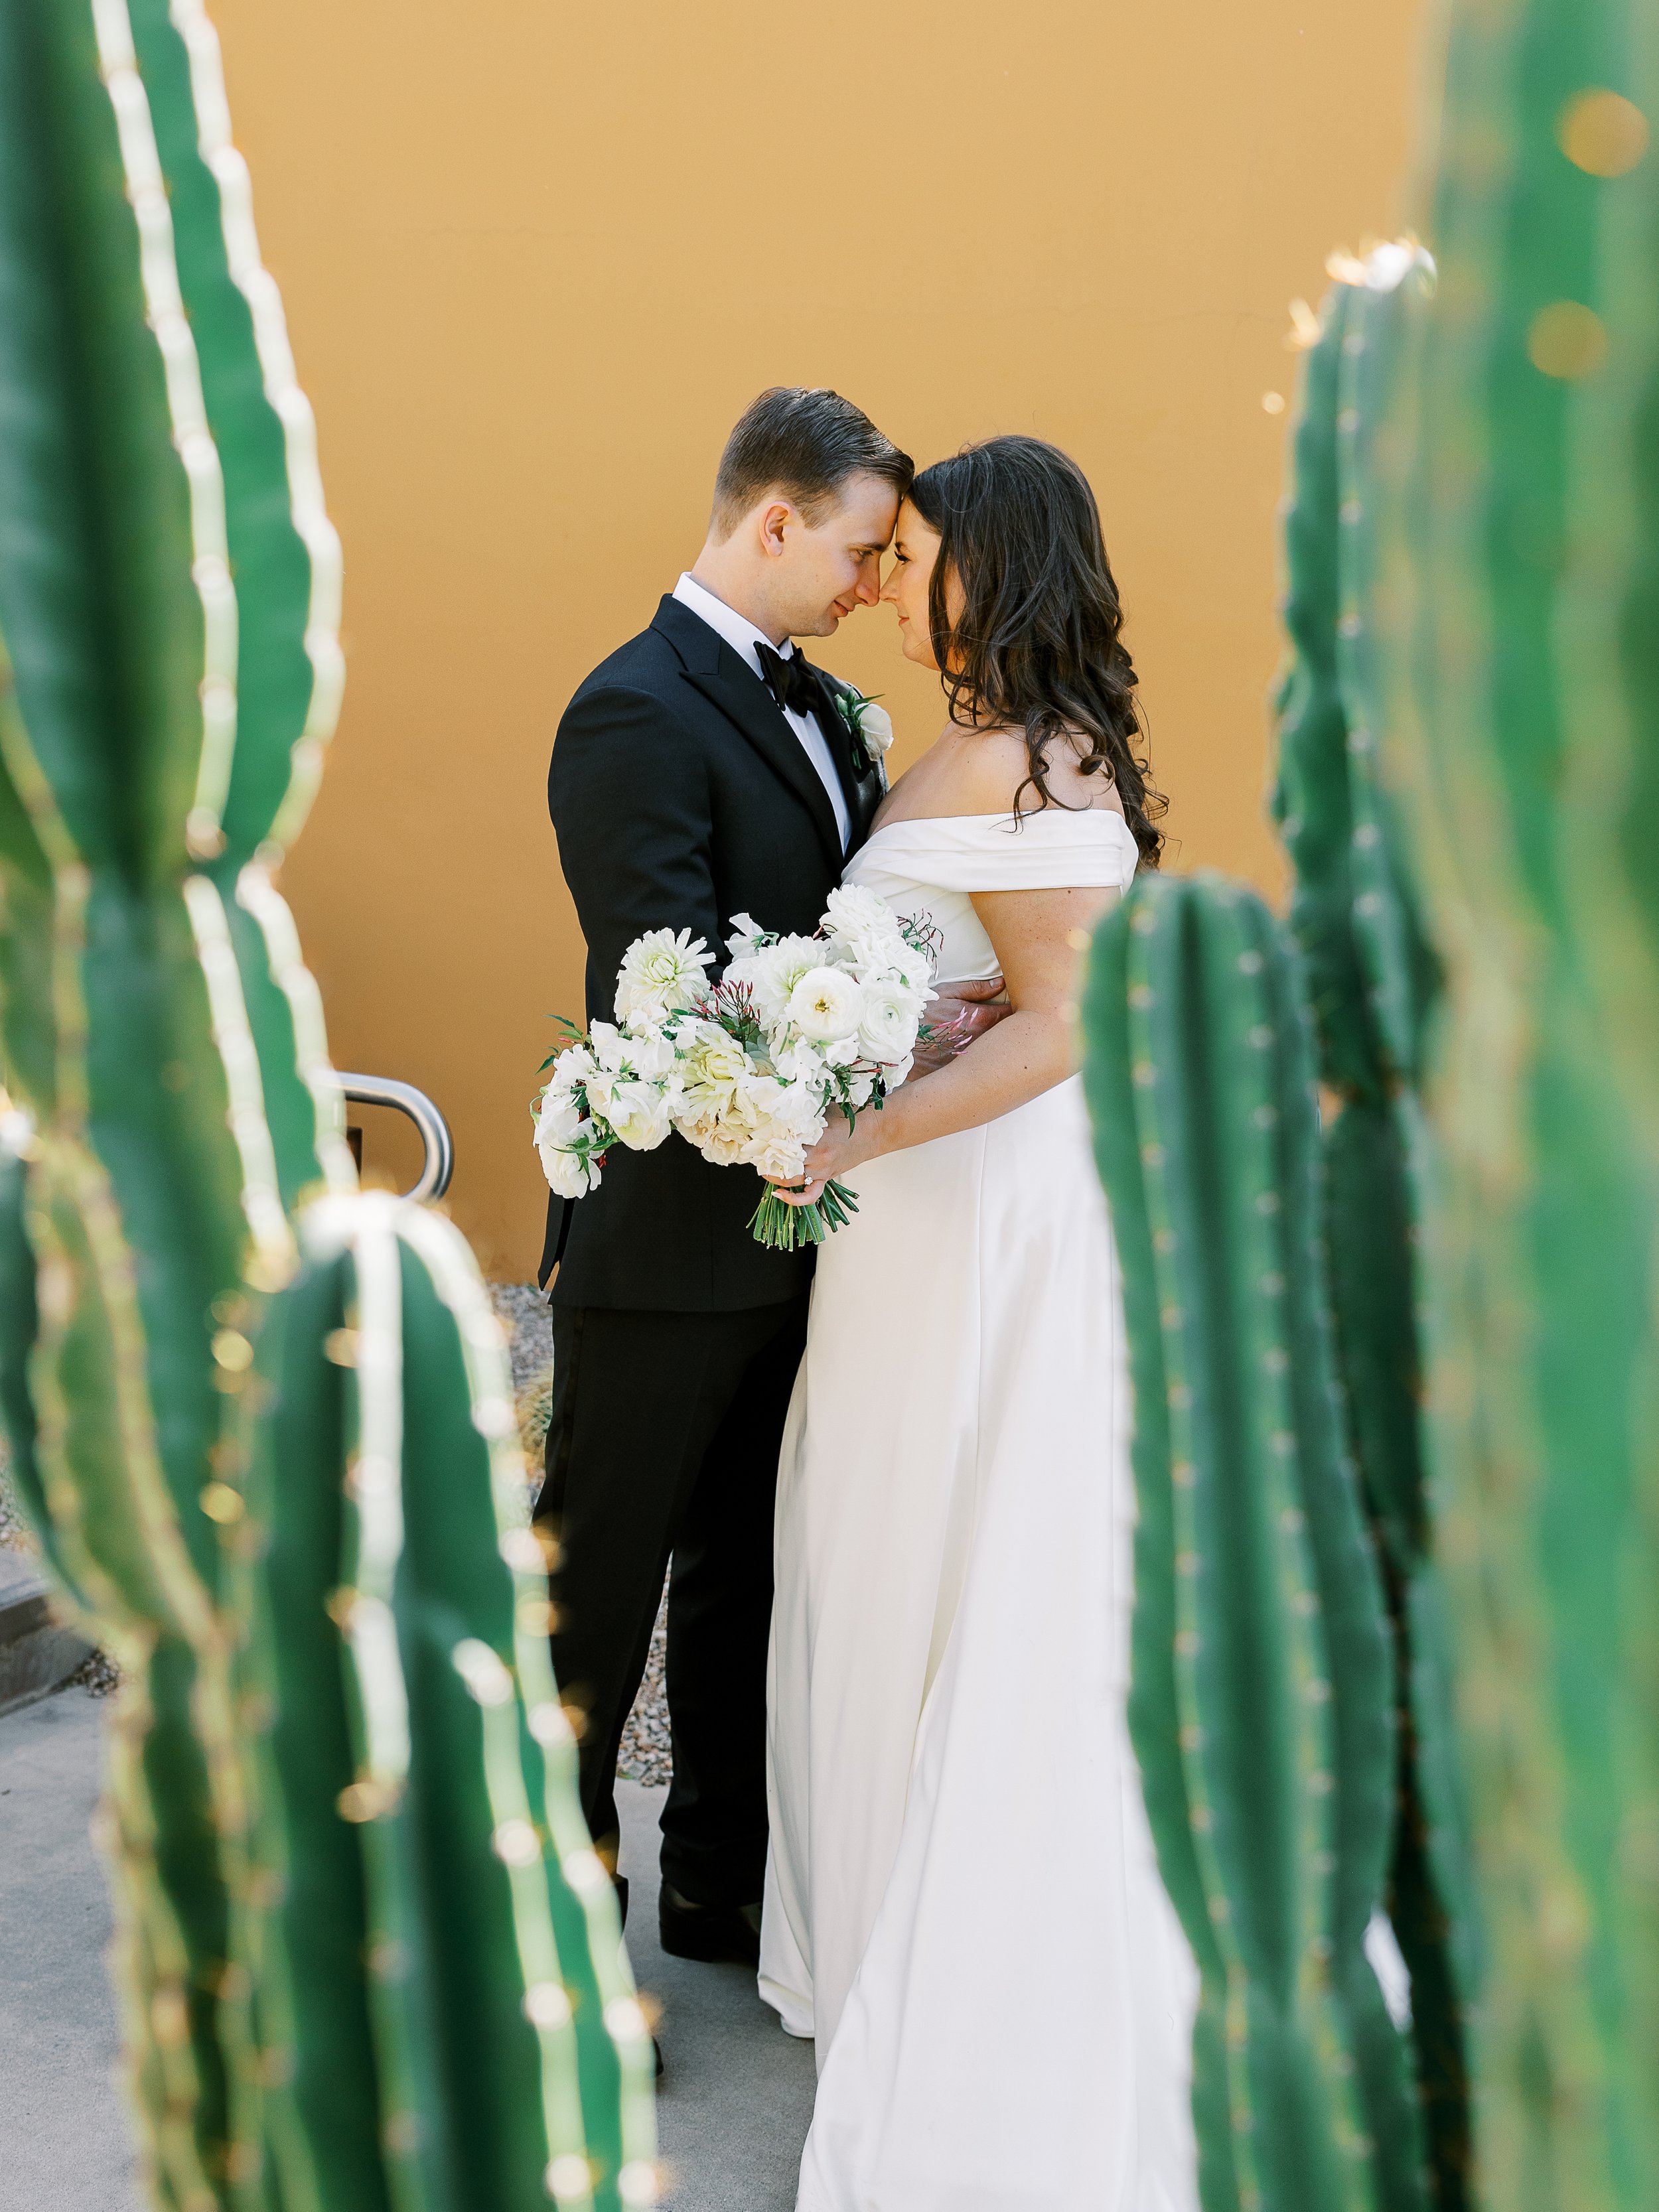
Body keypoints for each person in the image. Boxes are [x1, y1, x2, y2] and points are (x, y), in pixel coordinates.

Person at [758, 436, 1201, 2208]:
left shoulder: (1027, 754)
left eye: (918, 546)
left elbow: (1069, 1019)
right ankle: (877, 1929)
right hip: (929, 1211)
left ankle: (964, 1969)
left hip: (973, 1221)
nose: (894, 572)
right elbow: (987, 986)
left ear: (989, 563)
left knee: (956, 1556)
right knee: (885, 1547)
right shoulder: (994, 741)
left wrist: (840, 1132)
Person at [535, 388, 1005, 1972]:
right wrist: (856, 1034)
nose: (882, 585)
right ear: (775, 521)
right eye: (865, 553)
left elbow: (834, 936)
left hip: (805, 1236)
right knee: (594, 1599)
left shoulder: (819, 704)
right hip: (668, 1245)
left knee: (752, 1575)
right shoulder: (634, 707)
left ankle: (719, 1892)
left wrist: (922, 1014)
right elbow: (659, 985)